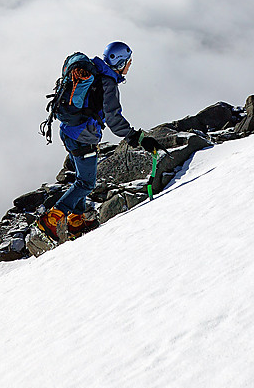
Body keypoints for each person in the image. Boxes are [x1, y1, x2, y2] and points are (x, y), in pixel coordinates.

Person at [37, 41, 162, 243]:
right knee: (86, 184)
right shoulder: (108, 83)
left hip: (68, 131)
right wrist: (136, 137)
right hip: (83, 136)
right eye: (128, 62)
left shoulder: (94, 70)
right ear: (121, 63)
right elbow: (113, 119)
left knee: (80, 178)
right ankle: (53, 218)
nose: (130, 66)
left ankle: (76, 222)